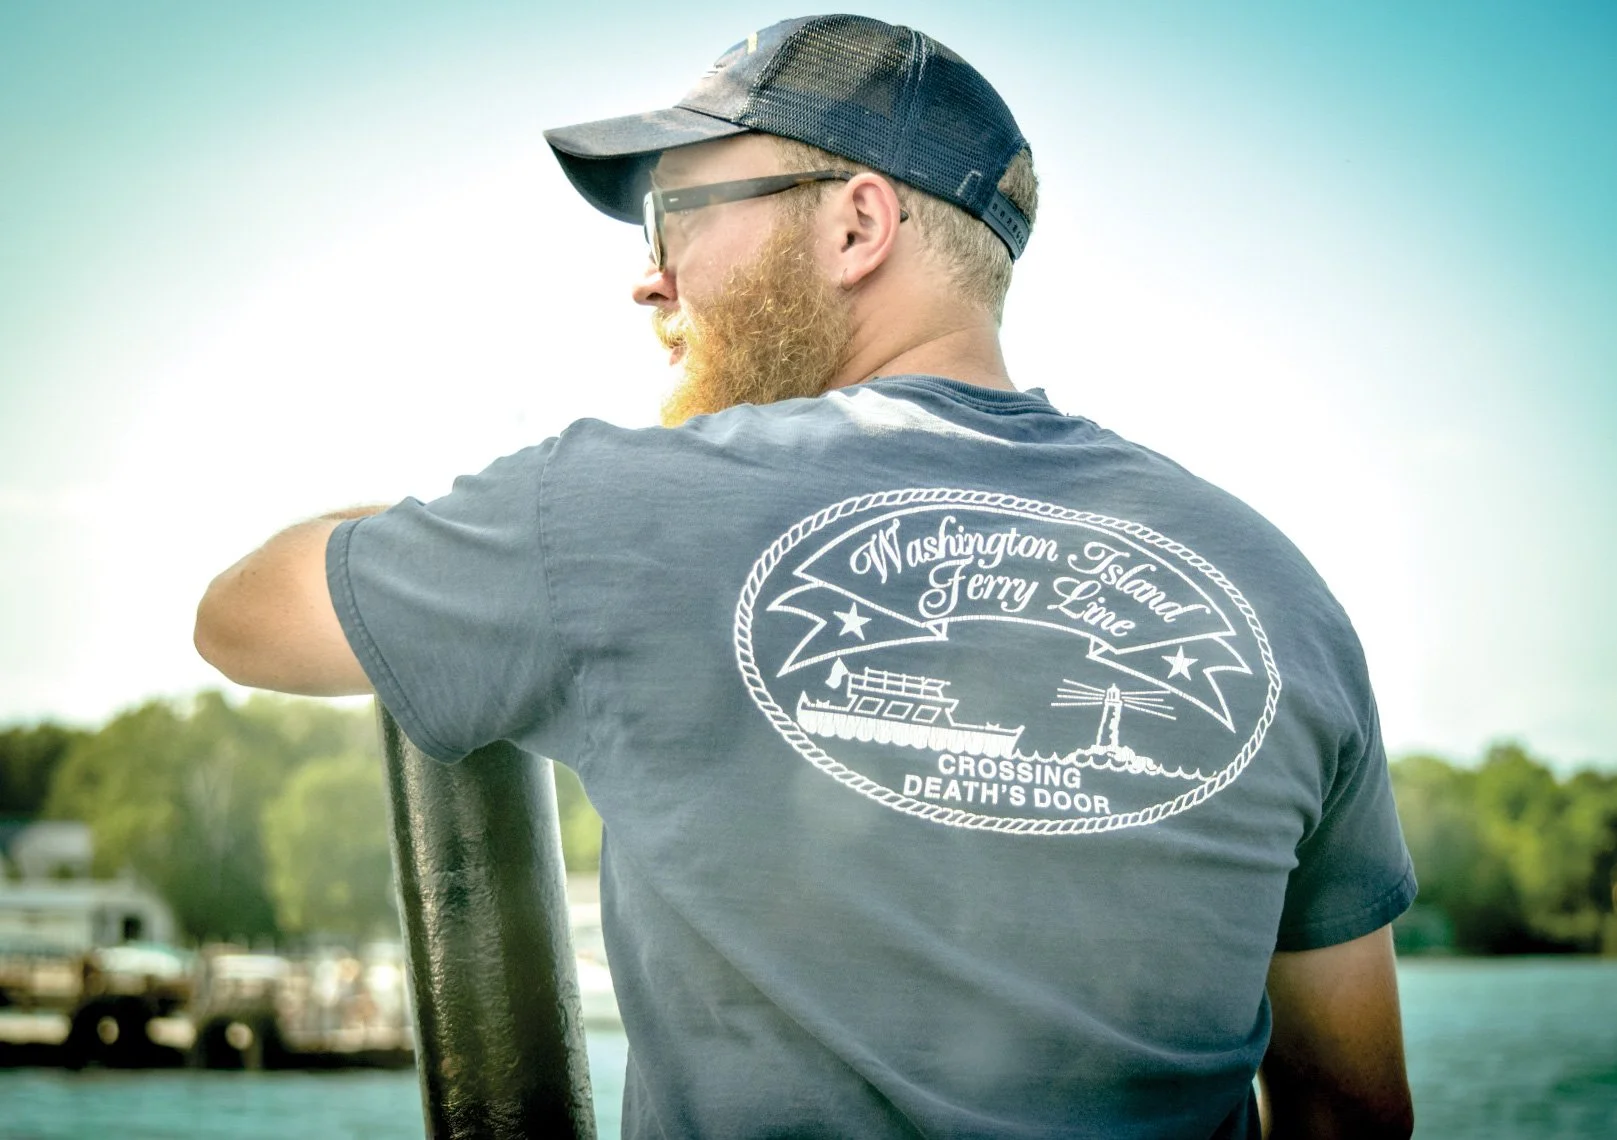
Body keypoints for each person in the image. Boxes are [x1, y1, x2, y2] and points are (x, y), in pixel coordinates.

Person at [195, 14, 1416, 1138]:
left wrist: (448, 528)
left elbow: (244, 620)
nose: (648, 274)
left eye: (675, 215)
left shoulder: (603, 509)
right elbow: (1352, 1110)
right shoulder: (1278, 589)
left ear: (856, 226)